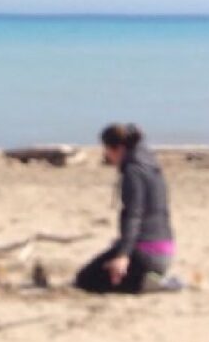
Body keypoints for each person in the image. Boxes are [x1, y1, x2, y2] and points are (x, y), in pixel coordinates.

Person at [75, 123, 181, 293]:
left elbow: (134, 215)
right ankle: (151, 277)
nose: (106, 155)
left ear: (119, 148)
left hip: (147, 254)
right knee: (102, 266)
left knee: (86, 280)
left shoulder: (133, 172)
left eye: (107, 149)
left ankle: (150, 283)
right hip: (165, 249)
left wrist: (123, 255)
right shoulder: (151, 165)